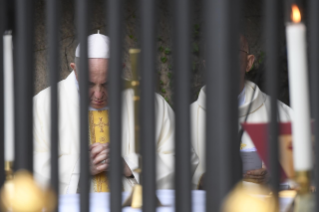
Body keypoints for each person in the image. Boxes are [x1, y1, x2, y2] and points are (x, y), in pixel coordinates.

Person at [33, 34, 199, 194]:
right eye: (89, 83)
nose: (98, 95)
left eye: (107, 83)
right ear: (74, 69)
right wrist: (78, 168)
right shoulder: (43, 105)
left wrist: (129, 165)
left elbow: (185, 160)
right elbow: (29, 165)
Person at [191, 35, 292, 189]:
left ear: (249, 62)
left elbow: (304, 169)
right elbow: (173, 170)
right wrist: (202, 178)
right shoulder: (187, 119)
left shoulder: (281, 114)